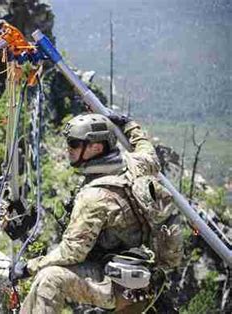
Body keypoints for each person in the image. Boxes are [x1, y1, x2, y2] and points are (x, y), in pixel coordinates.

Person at [10, 113, 183, 313]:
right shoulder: (135, 165)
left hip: (119, 288)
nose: (68, 149)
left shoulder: (93, 197)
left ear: (96, 147)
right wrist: (129, 125)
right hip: (147, 276)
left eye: (74, 144)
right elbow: (147, 151)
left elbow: (71, 253)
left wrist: (28, 267)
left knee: (48, 279)